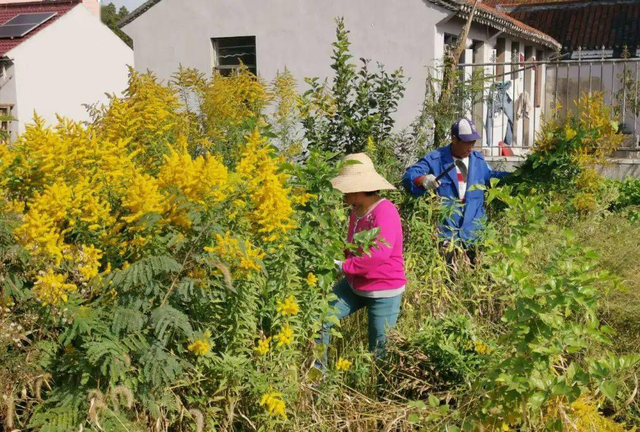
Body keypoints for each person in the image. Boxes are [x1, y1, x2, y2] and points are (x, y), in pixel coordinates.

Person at [319, 153, 406, 362]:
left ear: (357, 188)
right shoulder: (356, 210)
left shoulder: (385, 211)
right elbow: (352, 247)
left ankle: (380, 392)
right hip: (355, 284)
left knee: (379, 350)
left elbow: (378, 255)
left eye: (345, 187)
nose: (341, 192)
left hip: (383, 289)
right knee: (319, 319)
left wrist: (343, 266)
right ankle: (317, 379)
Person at [402, 118, 508, 254]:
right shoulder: (436, 159)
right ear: (454, 139)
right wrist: (423, 180)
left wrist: (517, 176)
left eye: (473, 142)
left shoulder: (478, 161)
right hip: (446, 235)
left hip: (474, 235)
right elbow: (410, 175)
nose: (471, 147)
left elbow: (492, 177)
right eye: (467, 143)